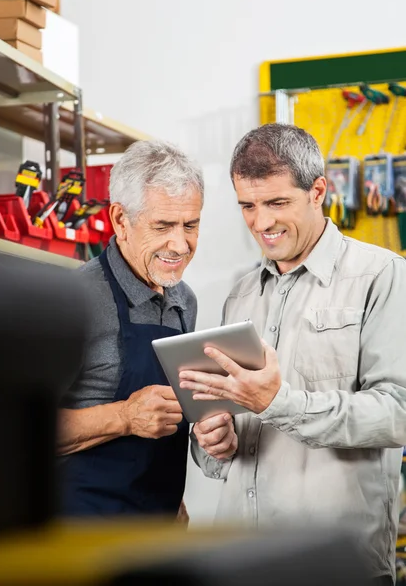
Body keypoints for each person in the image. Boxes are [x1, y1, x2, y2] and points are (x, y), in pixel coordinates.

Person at [182, 124, 406, 585]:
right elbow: (223, 448)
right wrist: (212, 440)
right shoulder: (241, 294)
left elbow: (398, 412)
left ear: (318, 190)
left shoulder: (381, 276)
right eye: (248, 205)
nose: (261, 223)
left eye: (277, 203)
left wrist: (278, 403)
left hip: (335, 567)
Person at [58, 140, 203, 519]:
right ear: (120, 220)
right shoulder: (74, 300)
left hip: (157, 532)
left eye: (191, 225)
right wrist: (124, 416)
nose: (180, 244)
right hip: (78, 536)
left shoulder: (185, 301)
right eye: (163, 226)